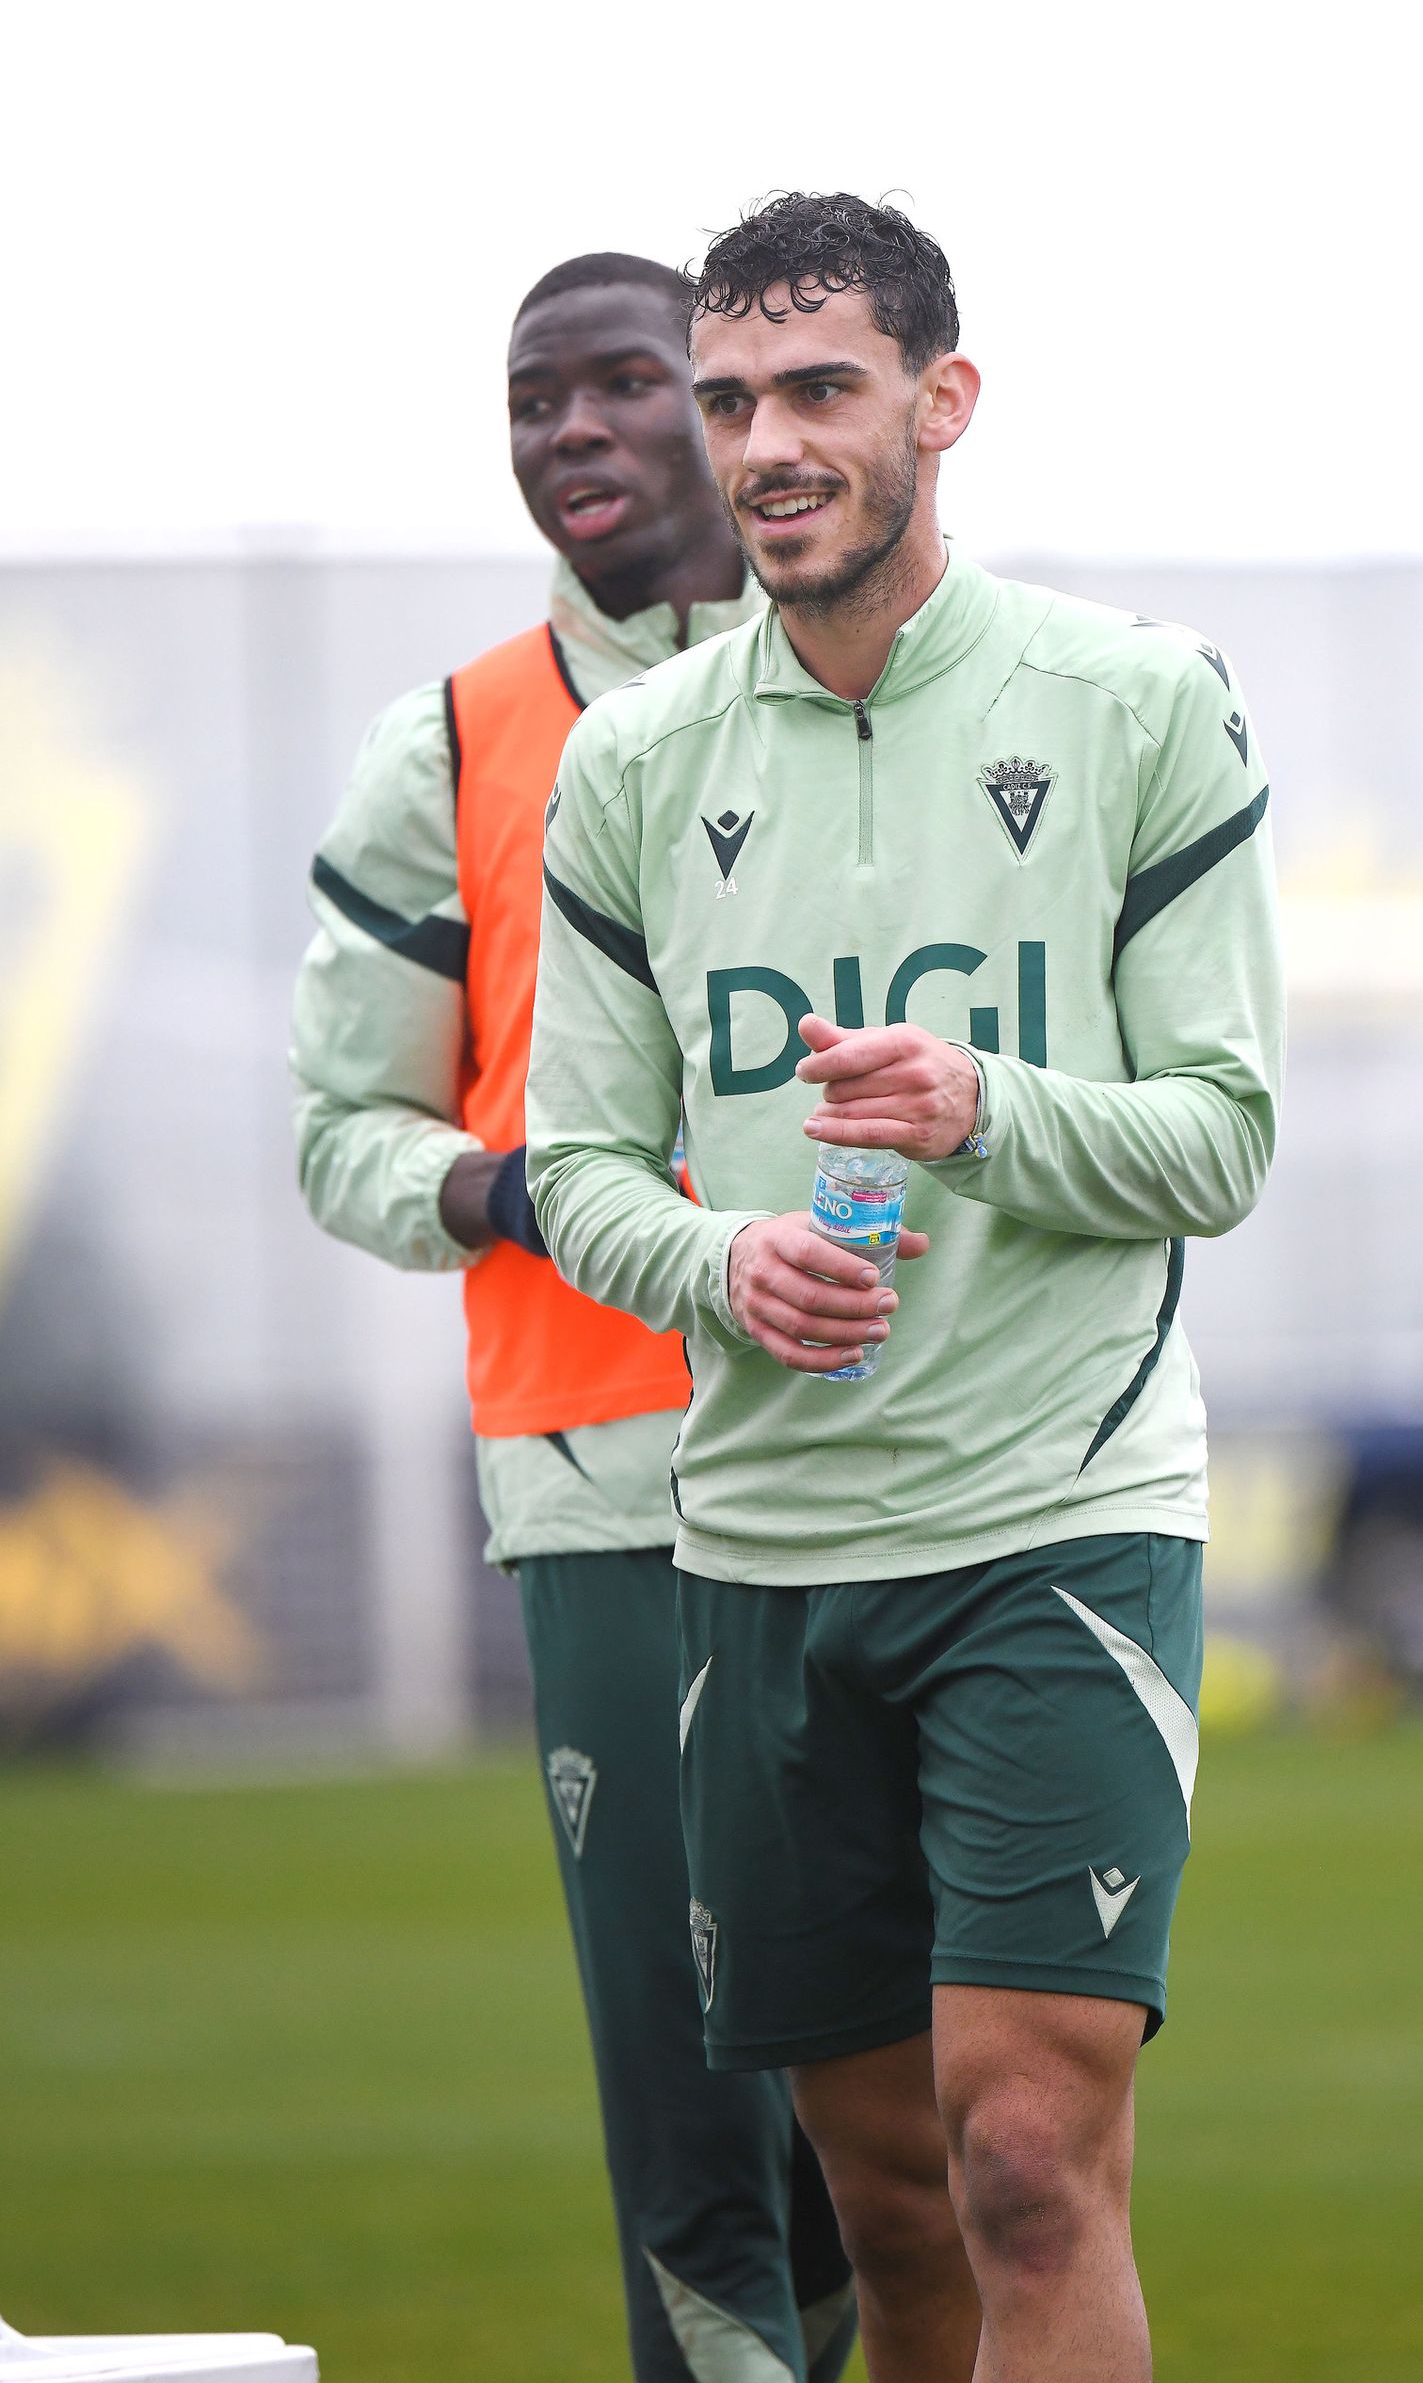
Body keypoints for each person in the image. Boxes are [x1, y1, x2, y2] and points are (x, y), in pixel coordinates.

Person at [525, 195, 1286, 2382]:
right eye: (732, 398)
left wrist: (978, 1107)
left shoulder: (1133, 702)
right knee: (879, 2208)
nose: (765, 443)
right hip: (759, 1554)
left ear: (937, 407)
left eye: (819, 392)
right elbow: (571, 1158)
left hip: (1052, 1524)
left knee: (1026, 2157)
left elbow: (1220, 1138)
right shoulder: (635, 766)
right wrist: (711, 1255)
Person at [289, 250, 856, 2383]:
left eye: (629, 385)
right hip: (604, 1480)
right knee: (693, 2121)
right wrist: (500, 1183)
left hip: (899, 1463)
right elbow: (341, 1130)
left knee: (889, 2135)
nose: (576, 433)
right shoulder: (448, 742)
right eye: (537, 400)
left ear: (730, 417)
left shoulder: (907, 698)